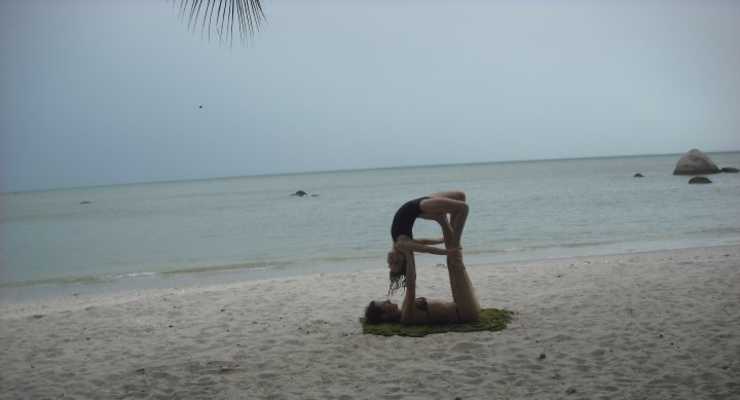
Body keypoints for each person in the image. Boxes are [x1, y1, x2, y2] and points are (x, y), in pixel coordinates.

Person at [367, 191, 480, 324]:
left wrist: (439, 242)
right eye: (383, 304)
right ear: (384, 316)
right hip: (464, 313)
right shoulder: (406, 316)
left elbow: (421, 244)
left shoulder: (405, 309)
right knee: (455, 261)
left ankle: (441, 220)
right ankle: (442, 221)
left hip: (460, 305)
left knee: (453, 261)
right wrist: (409, 256)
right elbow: (411, 283)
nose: (387, 300)